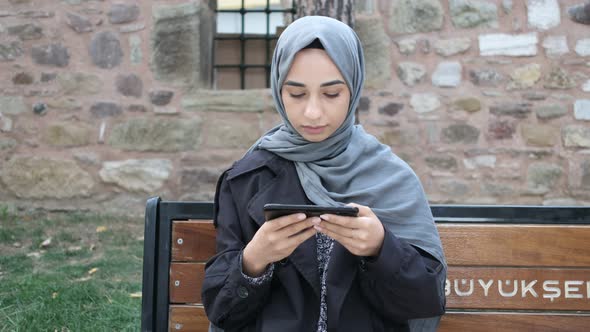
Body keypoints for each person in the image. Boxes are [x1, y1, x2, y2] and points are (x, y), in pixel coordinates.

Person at [202, 16, 446, 332]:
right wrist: (253, 261)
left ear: (354, 88)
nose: (313, 112)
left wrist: (380, 249)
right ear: (278, 90)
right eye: (297, 94)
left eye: (331, 94)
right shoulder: (248, 178)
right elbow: (223, 313)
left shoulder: (391, 178)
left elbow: (426, 301)